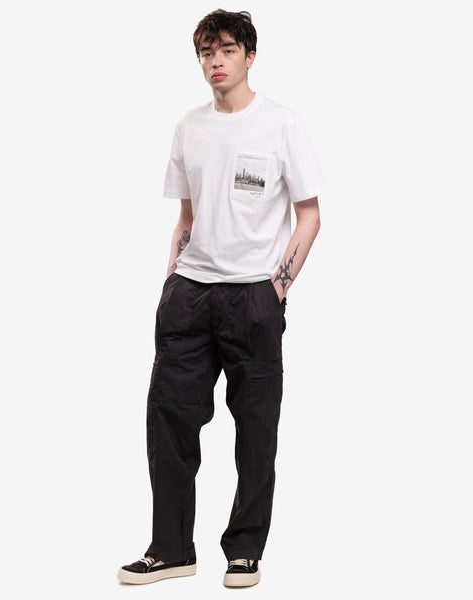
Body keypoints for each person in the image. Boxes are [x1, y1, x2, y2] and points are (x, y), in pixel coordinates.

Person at [117, 9, 326, 588]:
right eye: (207, 52)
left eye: (228, 50)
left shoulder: (282, 124)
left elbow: (309, 214)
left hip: (253, 298)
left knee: (256, 429)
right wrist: (172, 277)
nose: (216, 61)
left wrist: (277, 287)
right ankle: (170, 549)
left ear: (250, 56)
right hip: (189, 296)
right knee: (169, 422)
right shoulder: (189, 127)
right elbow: (186, 214)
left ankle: (244, 549)